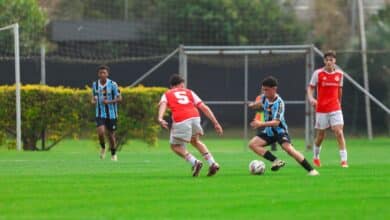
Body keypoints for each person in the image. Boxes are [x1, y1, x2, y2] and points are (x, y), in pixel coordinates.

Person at [248, 76, 319, 176]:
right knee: (252, 144)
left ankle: (312, 170)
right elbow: (260, 103)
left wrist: (260, 124)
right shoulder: (264, 98)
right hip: (269, 132)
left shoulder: (279, 103)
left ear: (274, 89)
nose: (264, 92)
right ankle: (276, 161)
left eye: (266, 90)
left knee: (289, 150)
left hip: (280, 131)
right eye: (263, 89)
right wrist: (253, 105)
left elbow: (276, 122)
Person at [158, 74, 223, 177]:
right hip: (195, 116)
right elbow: (204, 107)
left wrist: (160, 118)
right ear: (179, 85)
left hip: (181, 118)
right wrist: (216, 123)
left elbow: (163, 104)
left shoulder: (167, 93)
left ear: (171, 86)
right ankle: (212, 163)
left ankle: (194, 162)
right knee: (195, 141)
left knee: (175, 146)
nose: (183, 87)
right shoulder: (189, 92)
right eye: (182, 85)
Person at [307, 50, 348, 168]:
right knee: (320, 136)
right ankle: (316, 157)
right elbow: (310, 88)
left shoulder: (340, 74)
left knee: (339, 132)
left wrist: (338, 103)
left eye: (331, 60)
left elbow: (340, 90)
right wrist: (311, 98)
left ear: (335, 61)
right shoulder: (318, 73)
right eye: (327, 60)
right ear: (324, 61)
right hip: (321, 109)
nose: (329, 62)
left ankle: (344, 161)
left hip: (335, 108)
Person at [91, 65, 122, 161]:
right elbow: (93, 97)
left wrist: (108, 102)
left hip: (112, 114)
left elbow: (120, 98)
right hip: (100, 113)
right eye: (101, 73)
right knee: (100, 132)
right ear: (98, 74)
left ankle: (113, 153)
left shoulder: (113, 84)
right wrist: (93, 101)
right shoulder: (95, 84)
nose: (102, 74)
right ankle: (103, 147)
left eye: (104, 72)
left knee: (111, 136)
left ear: (107, 74)